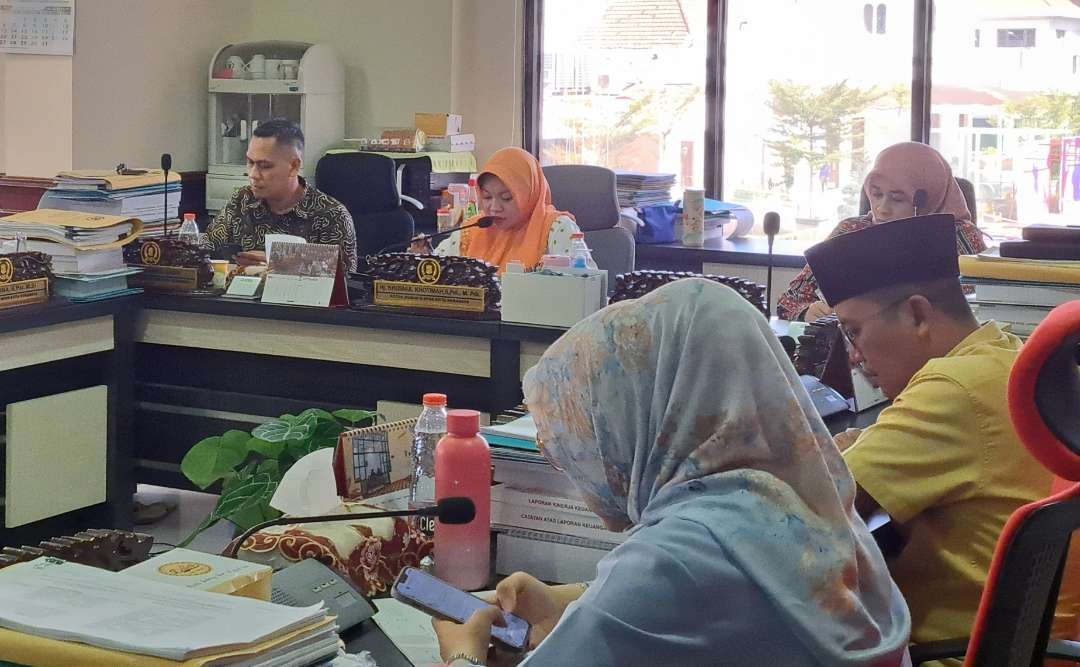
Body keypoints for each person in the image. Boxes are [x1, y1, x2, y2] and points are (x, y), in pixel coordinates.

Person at [432, 278, 911, 666]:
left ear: (638, 415)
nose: (577, 454)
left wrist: (462, 655)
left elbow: (677, 585)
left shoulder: (676, 558)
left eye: (583, 429)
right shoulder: (811, 504)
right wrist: (569, 602)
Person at [803, 215, 1078, 646]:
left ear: (917, 314)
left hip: (951, 650)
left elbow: (814, 499)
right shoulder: (1001, 352)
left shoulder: (952, 389)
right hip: (1037, 645)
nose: (854, 356)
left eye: (854, 332)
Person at [778, 142, 986, 322]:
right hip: (855, 354)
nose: (882, 208)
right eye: (876, 194)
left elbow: (981, 309)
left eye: (897, 198)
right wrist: (807, 311)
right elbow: (790, 300)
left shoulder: (958, 236)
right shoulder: (851, 230)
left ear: (927, 200)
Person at [206, 118, 358, 272]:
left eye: (265, 166)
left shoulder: (331, 214)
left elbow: (346, 278)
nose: (253, 174)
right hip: (240, 294)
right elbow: (207, 248)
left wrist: (278, 263)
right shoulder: (242, 200)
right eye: (250, 163)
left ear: (294, 166)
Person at [410, 147, 590, 273]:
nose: (494, 208)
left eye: (507, 198)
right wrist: (424, 260)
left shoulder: (556, 228)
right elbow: (440, 274)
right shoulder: (474, 229)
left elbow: (586, 284)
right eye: (487, 197)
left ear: (529, 194)